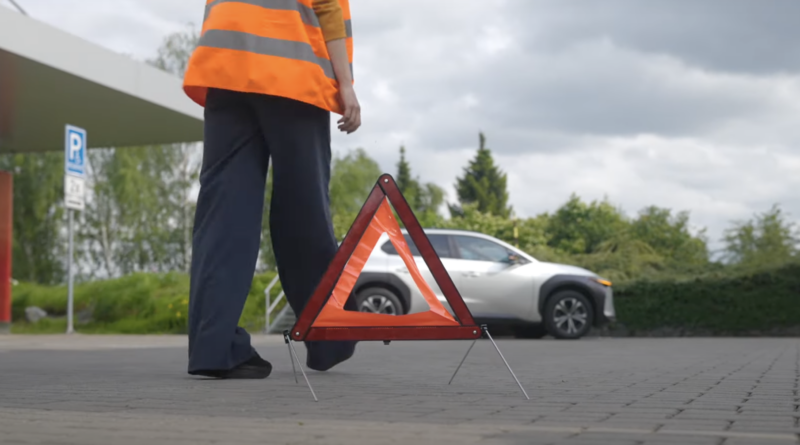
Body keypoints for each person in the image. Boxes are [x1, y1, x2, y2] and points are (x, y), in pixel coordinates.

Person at [181, 0, 361, 379]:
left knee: (223, 214)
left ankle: (213, 348)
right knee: (303, 209)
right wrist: (346, 85)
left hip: (224, 66)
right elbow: (328, 7)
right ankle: (329, 335)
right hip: (291, 70)